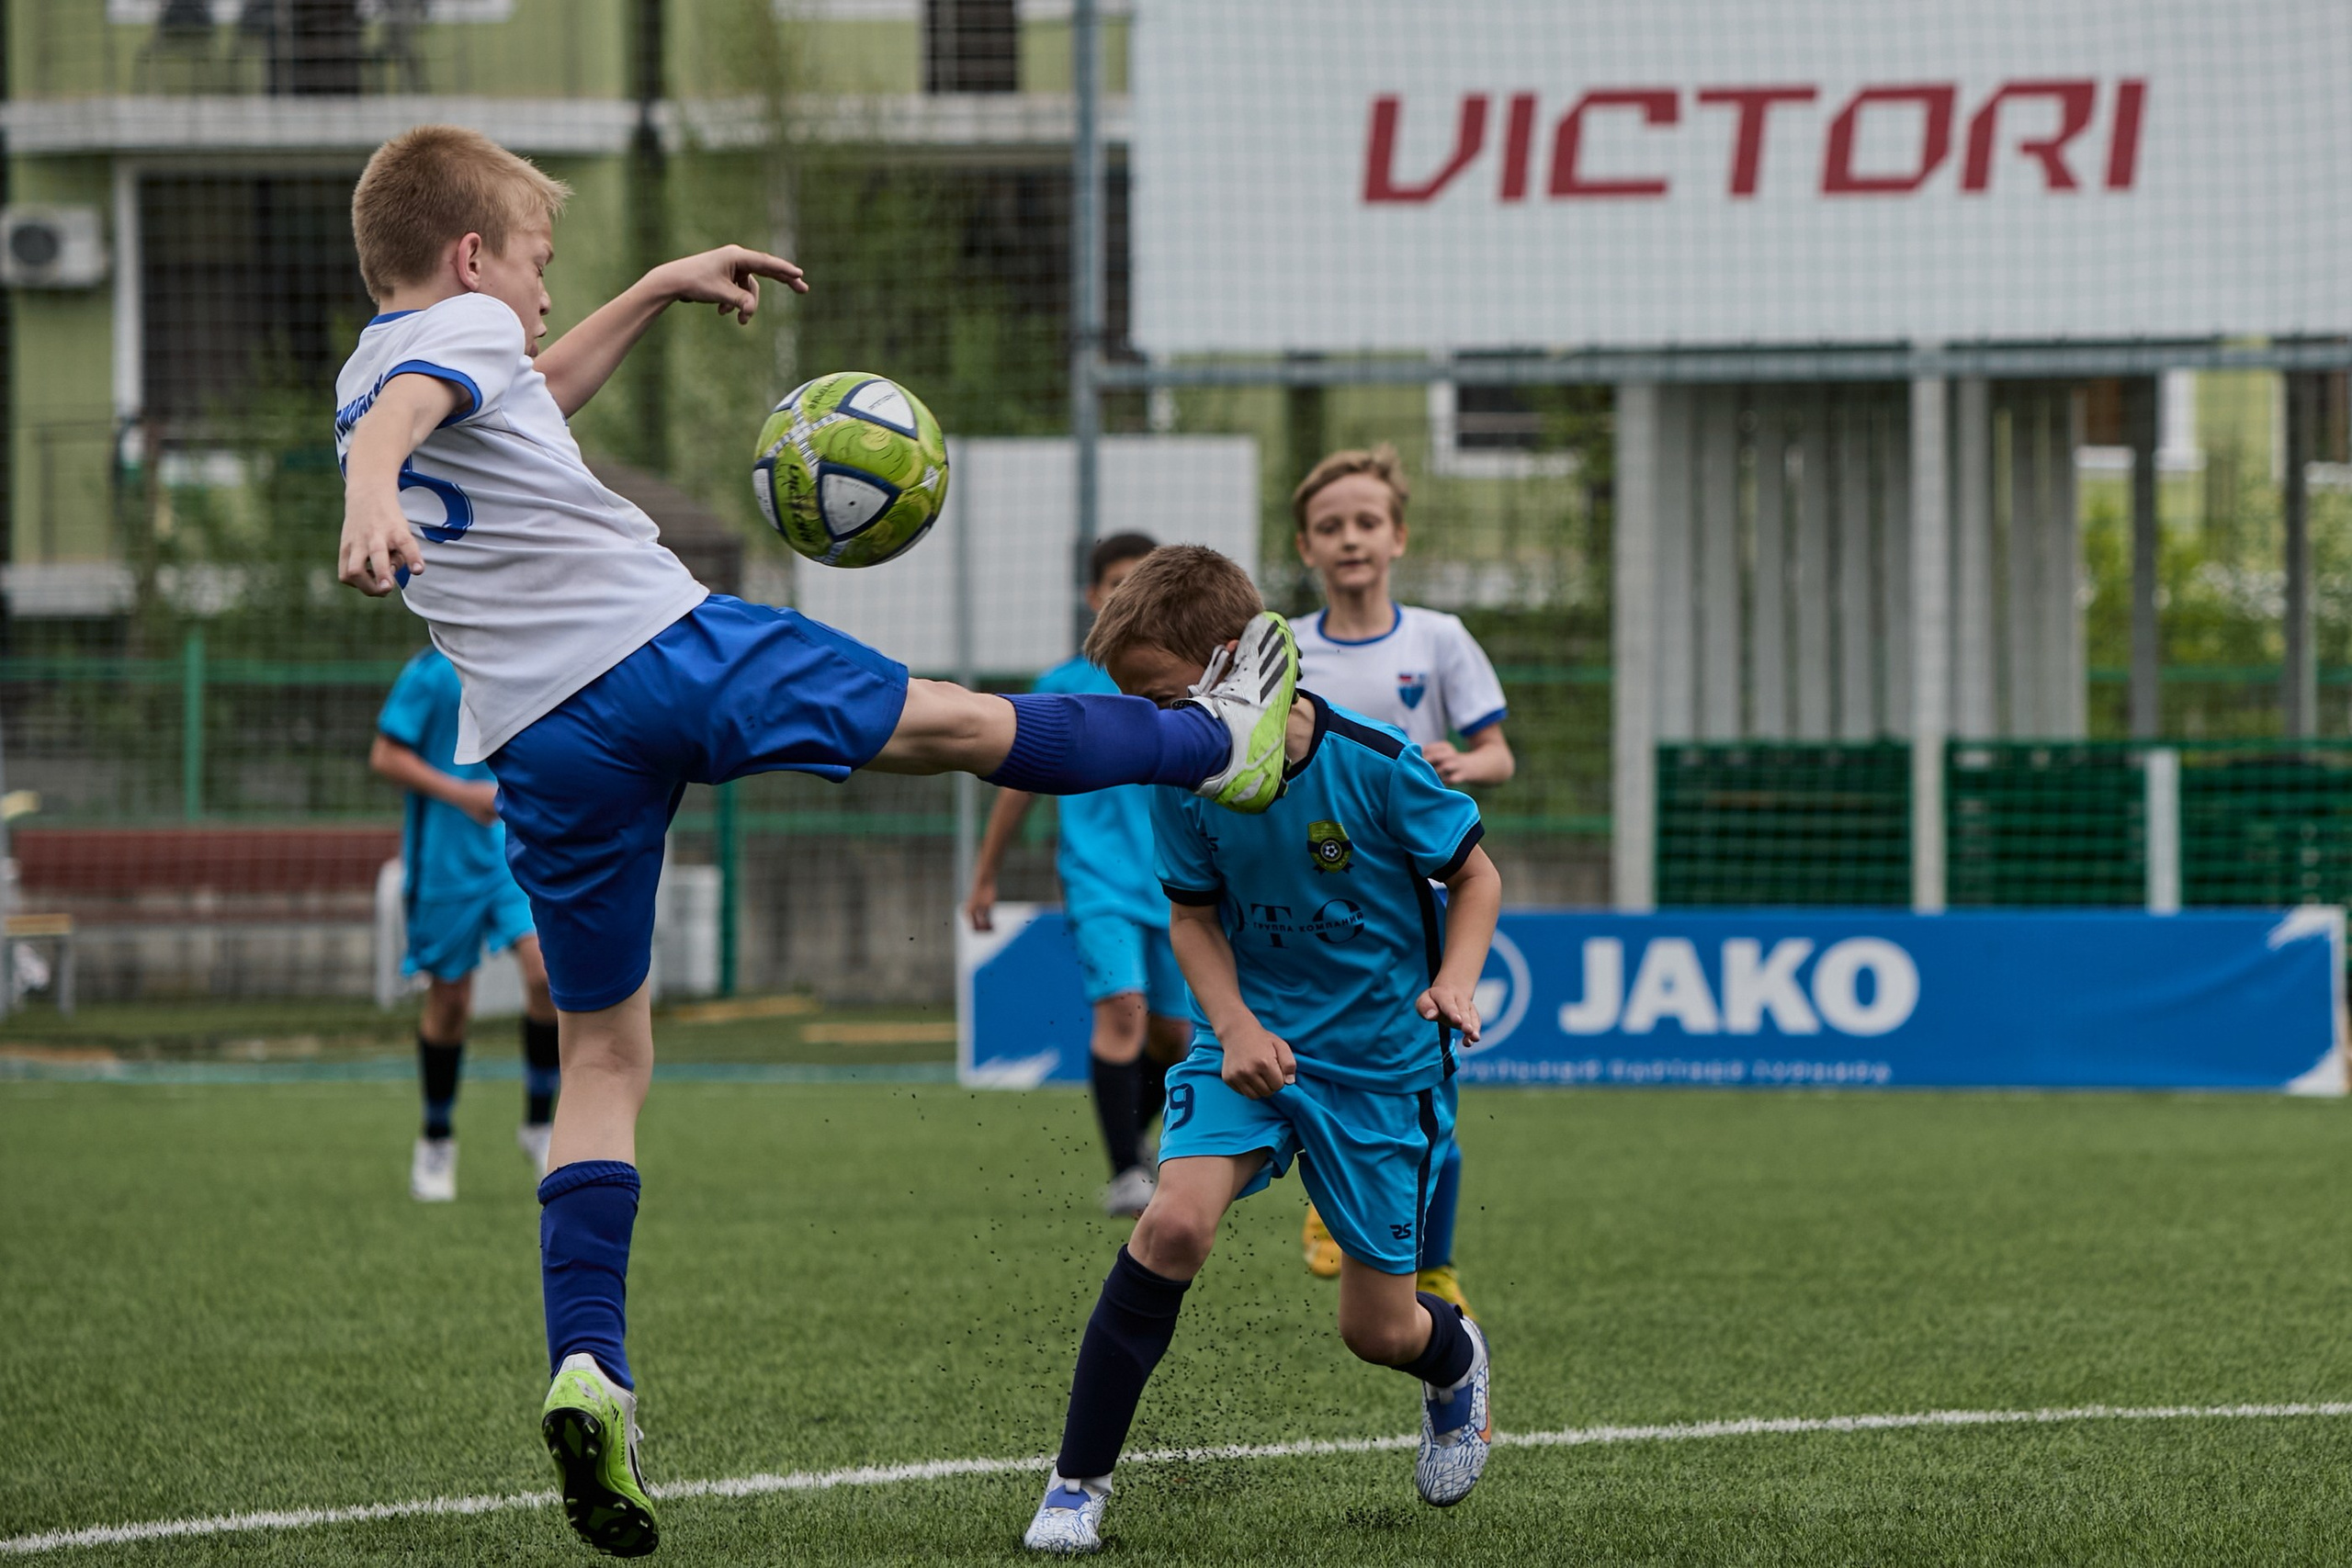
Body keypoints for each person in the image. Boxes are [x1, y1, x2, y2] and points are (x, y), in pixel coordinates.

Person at [333, 125, 1300, 1559]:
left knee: (606, 1055)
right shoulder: (442, 338)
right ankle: (1226, 736)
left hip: (542, 742)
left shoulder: (378, 358)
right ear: (474, 254)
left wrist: (655, 288)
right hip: (660, 652)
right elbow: (433, 393)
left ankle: (589, 1359)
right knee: (962, 724)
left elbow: (502, 394)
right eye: (540, 262)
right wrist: (365, 492)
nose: (543, 293)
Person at [1023, 546, 1500, 1553]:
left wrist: (1455, 981)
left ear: (1232, 664)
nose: (1152, 723)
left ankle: (1452, 1363)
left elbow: (1476, 876)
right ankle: (1076, 1485)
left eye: (1159, 695)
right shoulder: (1181, 772)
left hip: (1380, 1067)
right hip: (1247, 1046)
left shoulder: (1371, 761)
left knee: (1376, 1331)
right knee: (1171, 1231)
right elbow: (1192, 919)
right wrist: (1234, 1026)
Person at [1287, 445, 1513, 1320]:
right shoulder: (1288, 648)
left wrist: (1469, 761)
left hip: (1413, 889)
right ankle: (1327, 1194)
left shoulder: (1439, 638)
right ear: (1306, 547)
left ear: (1398, 537)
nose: (1351, 539)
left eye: (1367, 523)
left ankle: (1438, 1264)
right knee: (1305, 1045)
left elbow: (1498, 748)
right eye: (1331, 526)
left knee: (1432, 1084)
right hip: (1309, 885)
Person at [964, 533, 1191, 1219]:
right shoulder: (1063, 686)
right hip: (1096, 882)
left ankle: (1137, 1138)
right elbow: (1016, 785)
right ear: (1094, 597)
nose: (1124, 594)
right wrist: (986, 874)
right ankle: (1125, 1171)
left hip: (1177, 886)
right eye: (1114, 582)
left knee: (1172, 1037)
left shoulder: (1182, 683)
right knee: (1121, 1010)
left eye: (1139, 582)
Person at [372, 644, 561, 1200]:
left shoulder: (526, 655)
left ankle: (540, 1125)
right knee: (451, 1002)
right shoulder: (431, 673)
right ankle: (435, 1139)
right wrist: (462, 794)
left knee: (548, 976)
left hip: (512, 850)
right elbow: (385, 755)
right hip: (445, 861)